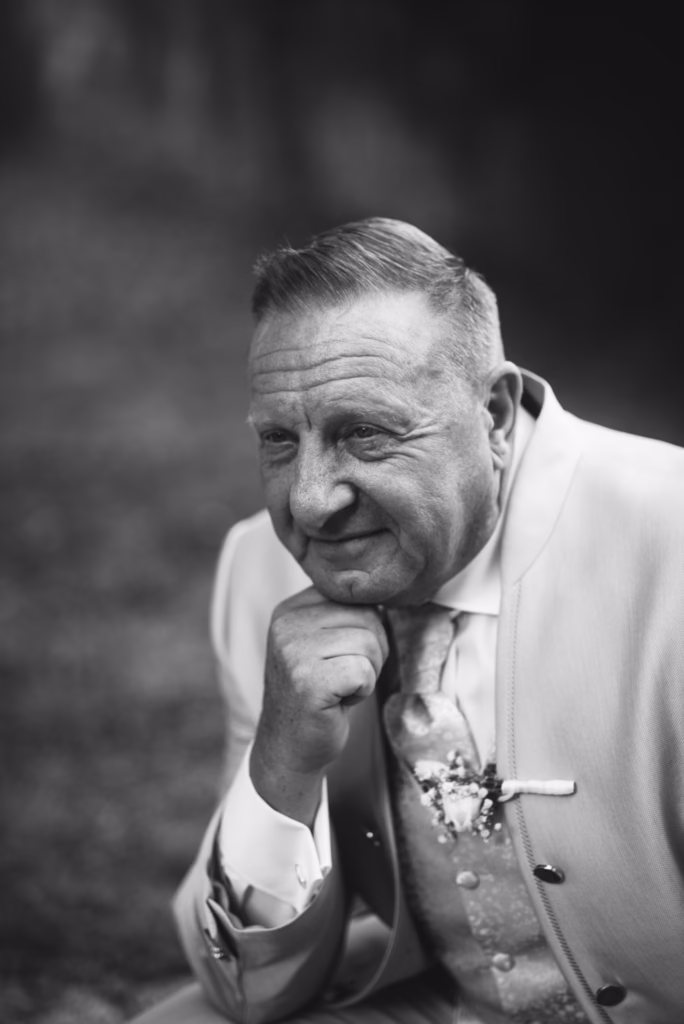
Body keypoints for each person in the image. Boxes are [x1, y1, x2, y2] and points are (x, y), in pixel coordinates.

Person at [133, 219, 684, 1024]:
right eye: (280, 441)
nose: (311, 502)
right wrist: (282, 764)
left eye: (364, 432)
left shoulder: (671, 540)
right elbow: (243, 987)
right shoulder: (260, 567)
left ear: (493, 414)